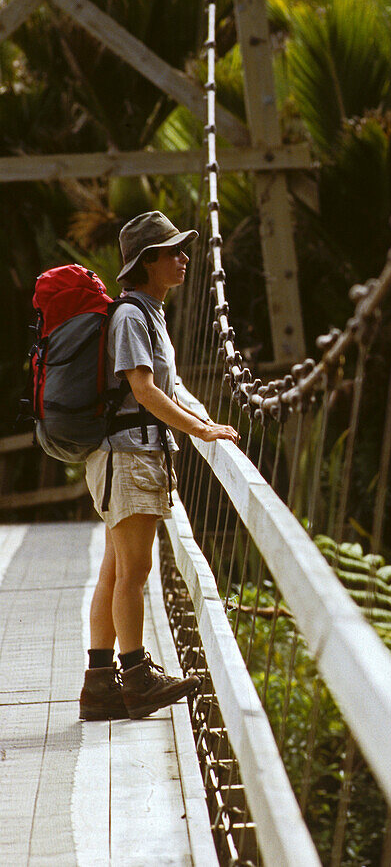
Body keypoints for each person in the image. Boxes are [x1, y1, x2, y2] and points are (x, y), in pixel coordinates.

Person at [78, 211, 238, 721]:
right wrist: (202, 429)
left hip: (131, 453)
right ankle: (137, 675)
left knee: (115, 570)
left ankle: (100, 684)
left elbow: (161, 387)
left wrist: (192, 418)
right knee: (135, 572)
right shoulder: (132, 316)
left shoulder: (150, 312)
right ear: (147, 262)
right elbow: (144, 391)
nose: (184, 258)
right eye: (173, 252)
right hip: (129, 455)